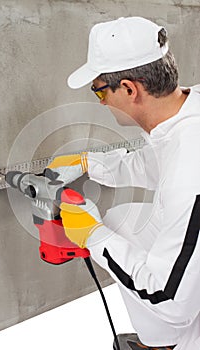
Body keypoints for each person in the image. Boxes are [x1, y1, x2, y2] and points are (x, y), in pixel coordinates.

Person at [47, 17, 200, 350]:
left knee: (167, 297)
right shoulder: (188, 112)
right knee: (126, 217)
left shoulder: (191, 172)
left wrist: (93, 235)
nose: (101, 103)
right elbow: (157, 162)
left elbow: (169, 300)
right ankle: (158, 342)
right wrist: (90, 162)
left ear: (130, 89)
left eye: (100, 92)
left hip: (181, 307)